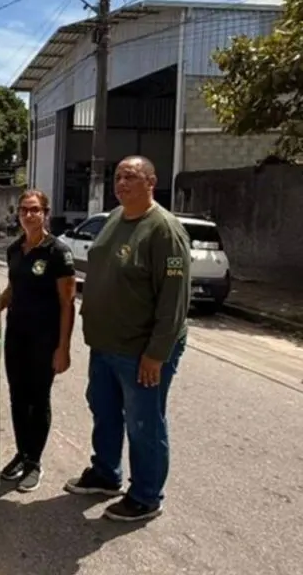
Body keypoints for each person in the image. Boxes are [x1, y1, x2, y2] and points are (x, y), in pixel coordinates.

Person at [64, 155, 191, 522]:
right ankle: (106, 473)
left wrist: (157, 354)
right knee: (104, 411)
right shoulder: (115, 218)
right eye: (118, 177)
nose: (121, 183)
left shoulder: (164, 230)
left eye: (131, 177)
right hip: (105, 344)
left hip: (141, 350)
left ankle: (146, 495)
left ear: (151, 182)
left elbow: (174, 299)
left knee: (144, 423)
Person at [0, 189, 77, 493]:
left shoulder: (57, 252)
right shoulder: (14, 249)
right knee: (17, 397)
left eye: (35, 210)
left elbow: (67, 303)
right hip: (17, 336)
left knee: (38, 400)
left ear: (45, 213)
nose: (29, 215)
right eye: (24, 210)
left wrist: (63, 348)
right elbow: (13, 288)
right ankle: (22, 454)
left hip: (45, 338)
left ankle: (34, 461)